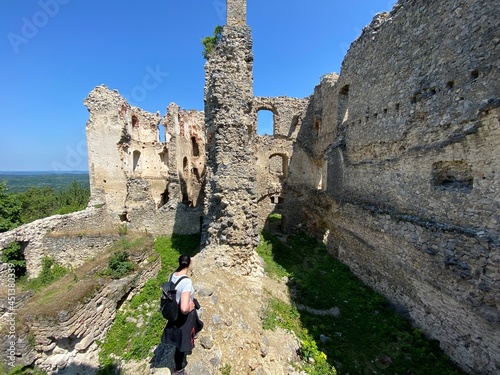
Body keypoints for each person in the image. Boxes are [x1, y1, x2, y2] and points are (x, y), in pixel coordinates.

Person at [161, 254, 203, 375]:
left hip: (174, 312)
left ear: (179, 263)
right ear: (189, 263)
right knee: (181, 344)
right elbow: (184, 308)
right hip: (183, 316)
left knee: (197, 325)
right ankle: (178, 370)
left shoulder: (172, 276)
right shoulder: (186, 282)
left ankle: (190, 340)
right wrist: (190, 306)